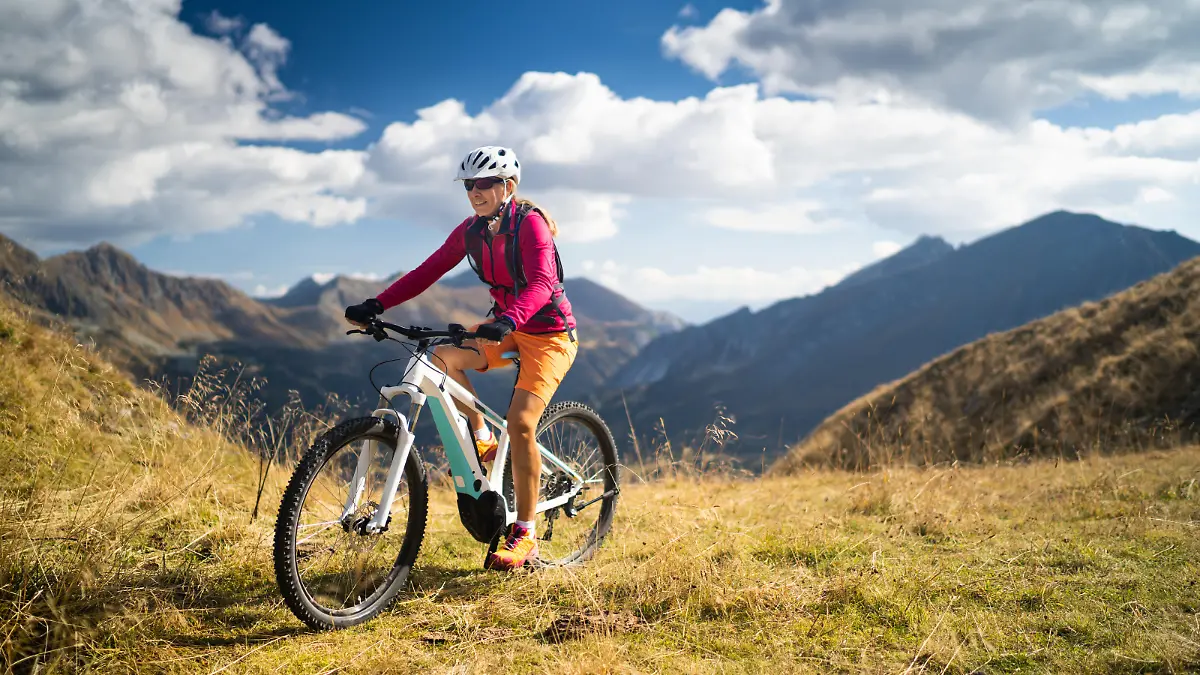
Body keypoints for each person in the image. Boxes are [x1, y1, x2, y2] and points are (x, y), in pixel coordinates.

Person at [343, 145, 578, 571]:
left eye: (486, 183)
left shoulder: (531, 225)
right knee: (440, 359)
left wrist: (510, 319)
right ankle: (482, 434)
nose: (475, 191)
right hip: (505, 326)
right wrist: (377, 304)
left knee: (523, 424)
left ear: (508, 186)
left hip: (548, 335)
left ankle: (525, 532)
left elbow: (544, 281)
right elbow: (427, 271)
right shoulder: (470, 231)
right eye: (469, 184)